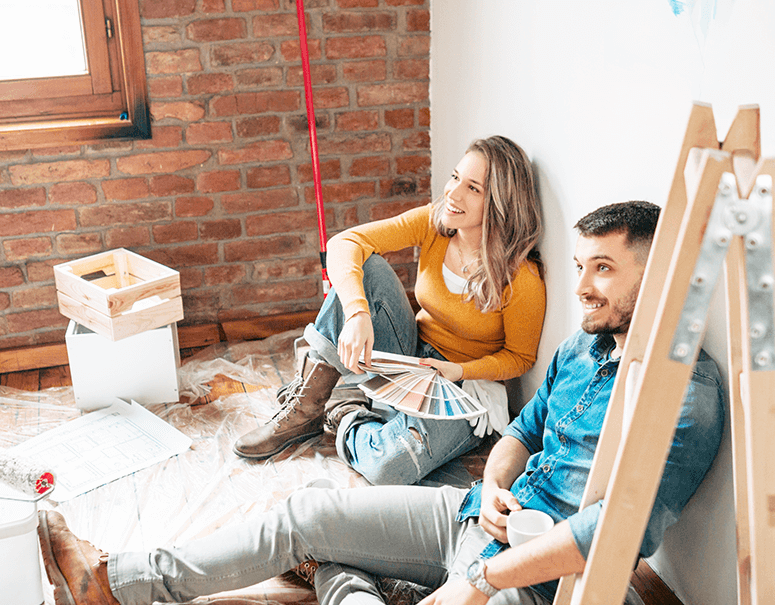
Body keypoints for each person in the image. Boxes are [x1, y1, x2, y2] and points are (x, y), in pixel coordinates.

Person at [37, 201, 724, 605]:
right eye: (580, 266)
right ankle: (110, 583)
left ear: (659, 273)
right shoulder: (586, 346)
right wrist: (492, 488)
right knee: (304, 513)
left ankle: (345, 572)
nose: (581, 288)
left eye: (603, 269)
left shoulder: (685, 397)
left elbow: (612, 538)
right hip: (481, 517)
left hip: (539, 587)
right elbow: (523, 430)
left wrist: (481, 581)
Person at [233, 135, 547, 487]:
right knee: (364, 268)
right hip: (410, 353)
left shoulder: (522, 277)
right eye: (455, 177)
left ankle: (346, 408)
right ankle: (304, 411)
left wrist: (459, 370)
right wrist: (357, 313)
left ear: (502, 203)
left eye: (473, 188)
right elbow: (344, 243)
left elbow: (520, 358)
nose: (454, 194)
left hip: (465, 386)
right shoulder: (435, 223)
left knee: (388, 468)